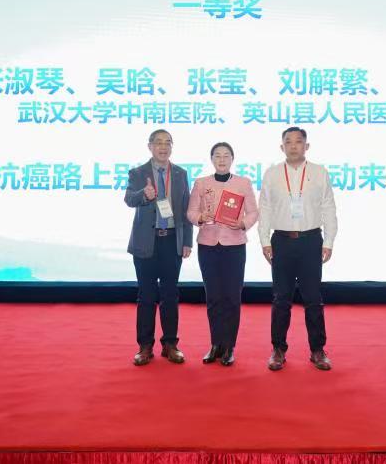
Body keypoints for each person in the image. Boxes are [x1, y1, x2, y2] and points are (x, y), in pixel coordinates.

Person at [257, 126, 337, 371]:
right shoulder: (272, 174)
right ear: (282, 147)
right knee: (281, 298)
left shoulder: (319, 172)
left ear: (306, 146)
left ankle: (317, 350)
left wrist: (328, 241)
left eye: (298, 141)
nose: (293, 146)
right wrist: (265, 240)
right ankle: (278, 349)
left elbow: (328, 207)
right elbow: (265, 208)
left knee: (313, 298)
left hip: (311, 240)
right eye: (288, 142)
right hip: (281, 241)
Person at [123, 129, 193, 366]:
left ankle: (170, 344)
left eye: (168, 143)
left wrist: (186, 241)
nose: (163, 147)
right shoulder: (138, 172)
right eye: (159, 143)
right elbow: (129, 199)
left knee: (170, 295)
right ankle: (145, 346)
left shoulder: (181, 173)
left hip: (172, 240)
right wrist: (144, 194)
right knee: (146, 295)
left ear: (172, 146)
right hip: (146, 241)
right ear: (150, 146)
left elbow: (185, 208)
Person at [186, 142, 259, 366]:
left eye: (226, 155)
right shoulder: (201, 183)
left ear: (232, 159)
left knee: (232, 297)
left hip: (234, 246)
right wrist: (200, 217)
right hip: (208, 245)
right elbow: (190, 212)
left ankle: (229, 346)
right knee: (213, 297)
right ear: (211, 159)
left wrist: (242, 223)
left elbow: (253, 212)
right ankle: (215, 344)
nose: (222, 159)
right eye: (217, 155)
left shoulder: (243, 183)